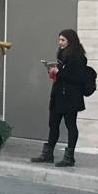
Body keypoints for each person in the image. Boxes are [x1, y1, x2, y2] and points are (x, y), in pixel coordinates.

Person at [30, 29, 89, 168]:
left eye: (63, 40)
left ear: (71, 41)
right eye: (59, 40)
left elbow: (77, 79)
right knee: (53, 124)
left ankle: (69, 158)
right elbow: (62, 76)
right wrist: (53, 72)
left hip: (71, 97)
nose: (60, 43)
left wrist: (59, 73)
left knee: (70, 125)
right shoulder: (61, 54)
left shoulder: (79, 57)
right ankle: (48, 154)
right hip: (58, 95)